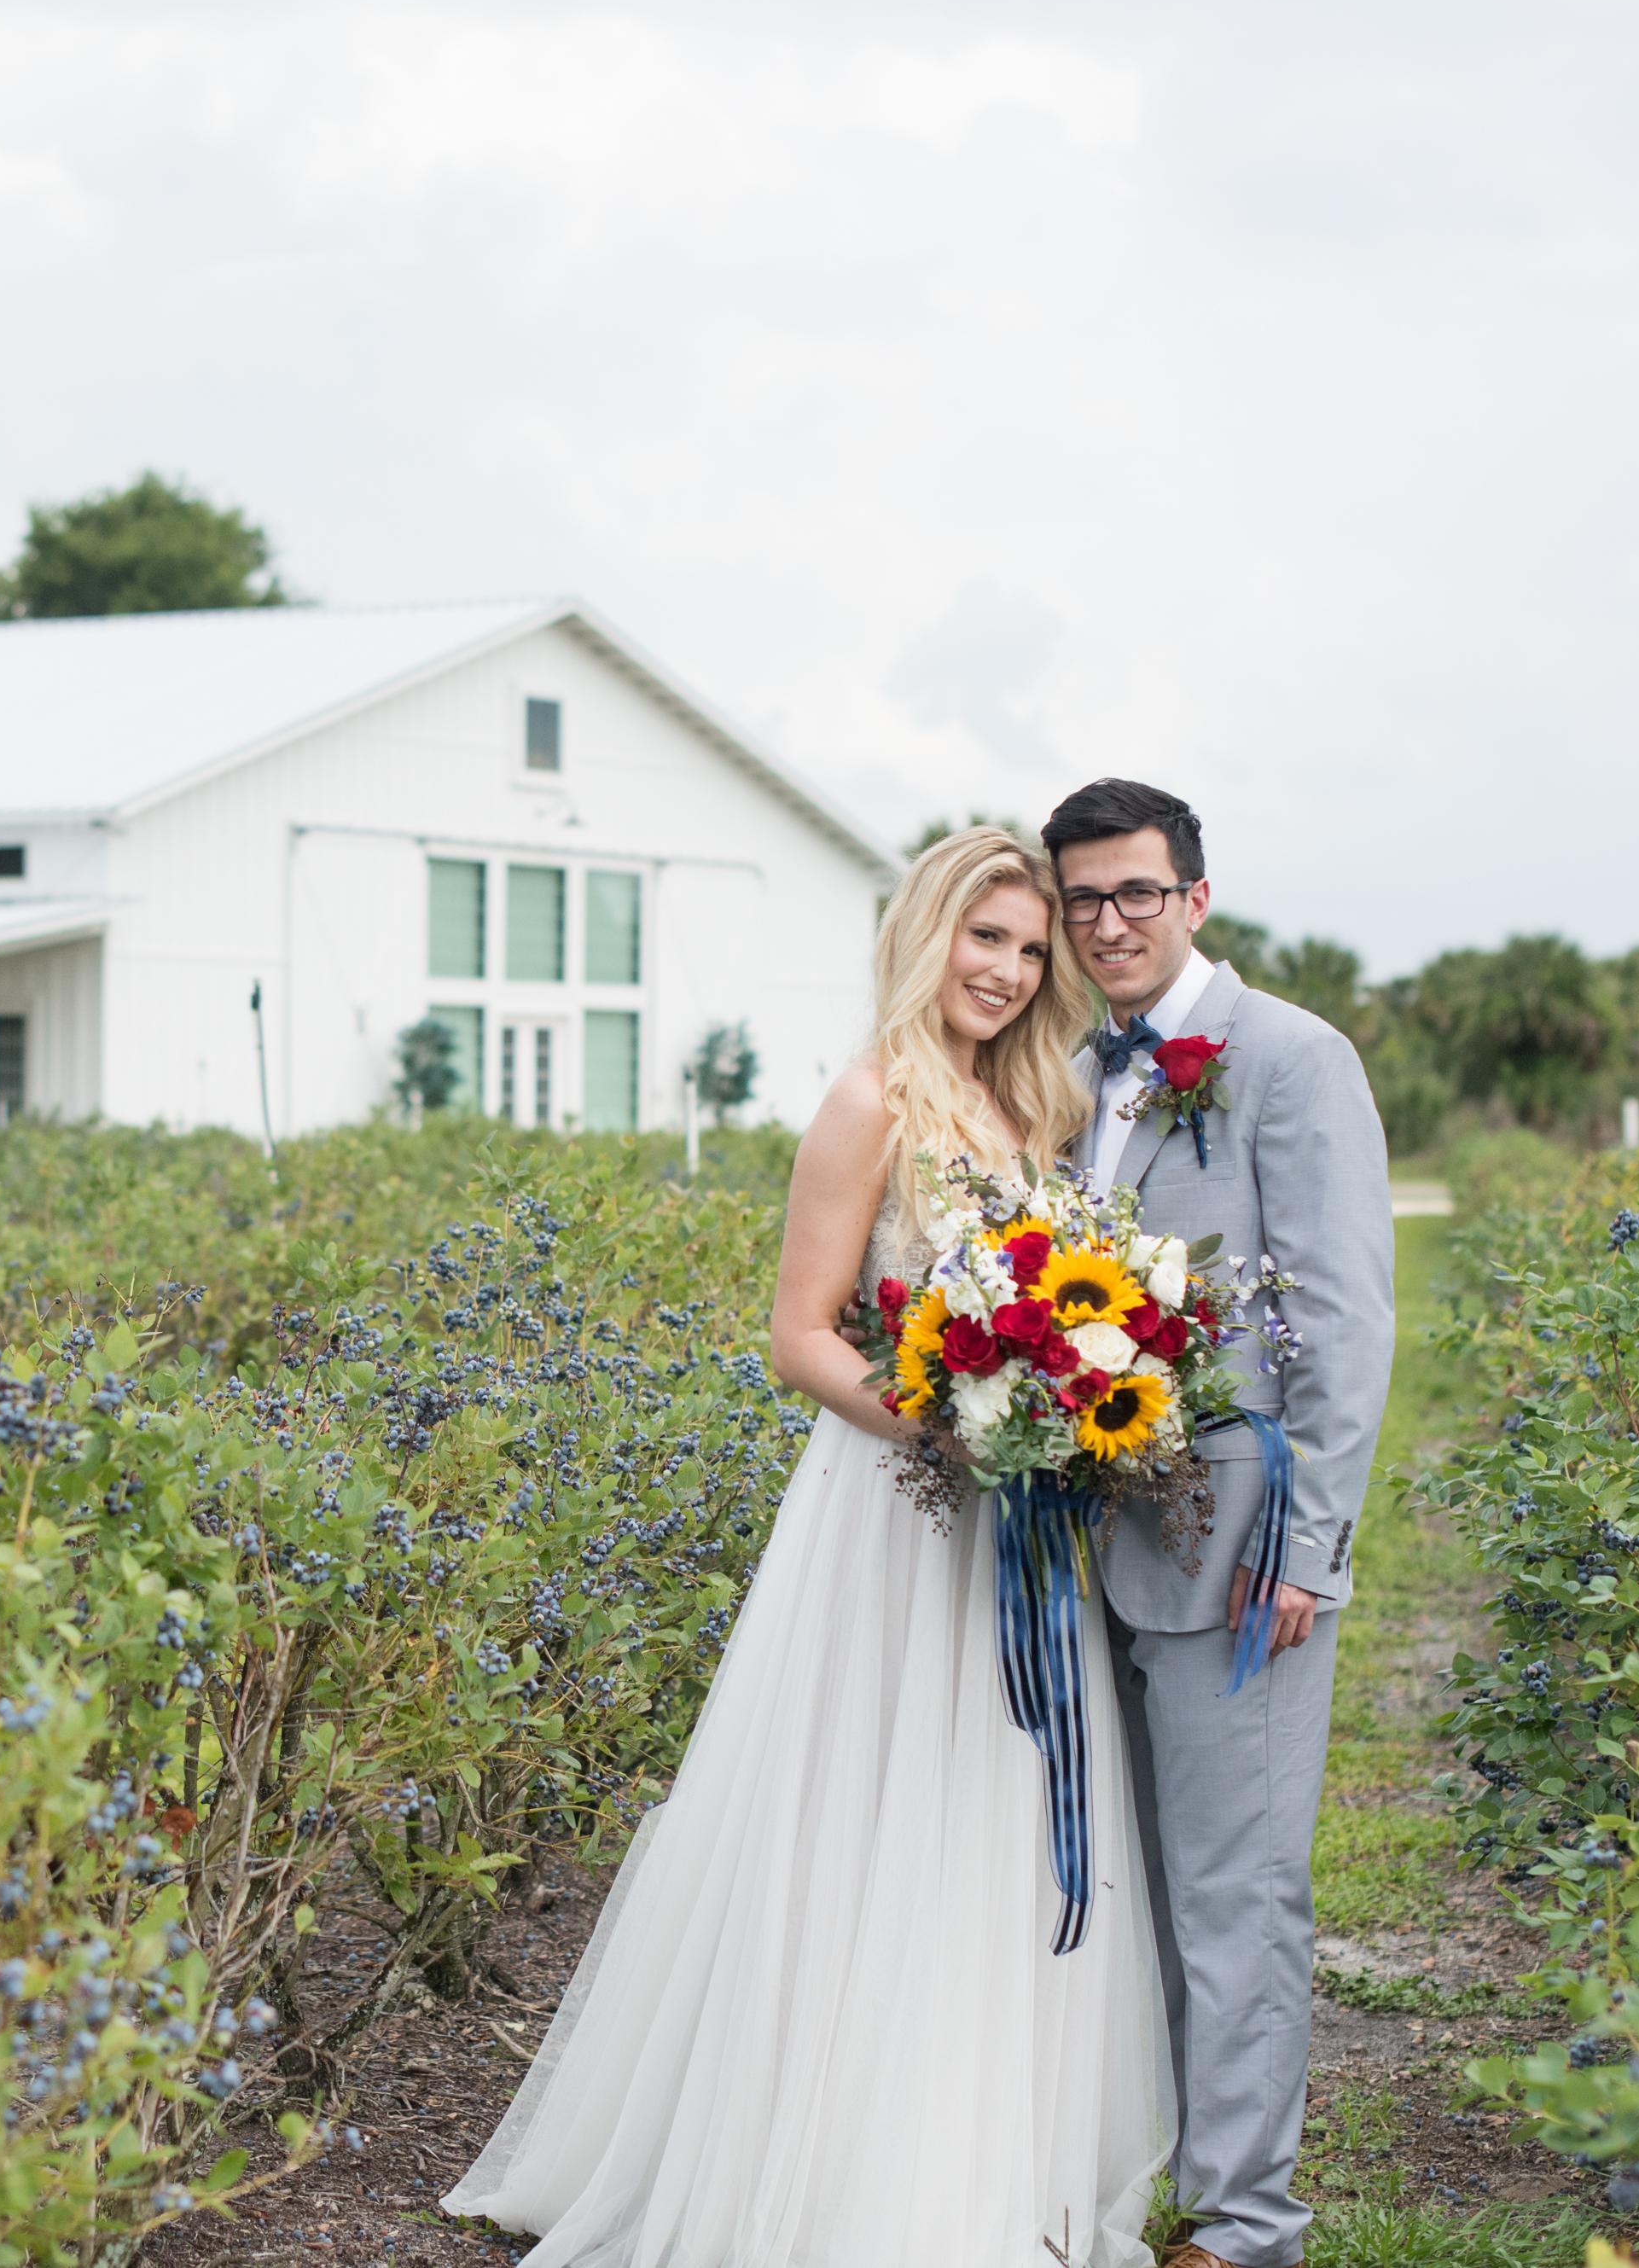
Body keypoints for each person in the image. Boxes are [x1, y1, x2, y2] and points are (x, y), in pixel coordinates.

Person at [443, 827, 1175, 2268]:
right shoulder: (869, 1100)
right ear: (925, 932)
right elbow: (799, 1335)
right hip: (897, 1512)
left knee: (996, 1811)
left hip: (1018, 1521)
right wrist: (946, 1424)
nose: (1007, 970)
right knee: (869, 1818)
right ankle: (833, 2169)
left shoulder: (1039, 1104)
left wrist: (1056, 1412)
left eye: (1031, 950)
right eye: (985, 937)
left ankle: (986, 2157)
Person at [1040, 778, 1394, 2268]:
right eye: (1084, 899)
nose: (1110, 922)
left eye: (1137, 891)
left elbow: (1343, 1319)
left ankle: (1249, 2226)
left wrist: (1309, 1546)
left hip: (1243, 1554)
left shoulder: (1293, 1058)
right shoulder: (1076, 1071)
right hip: (1093, 1545)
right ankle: (1167, 2171)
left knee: (1238, 1895)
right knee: (1145, 1893)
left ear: (1195, 895)